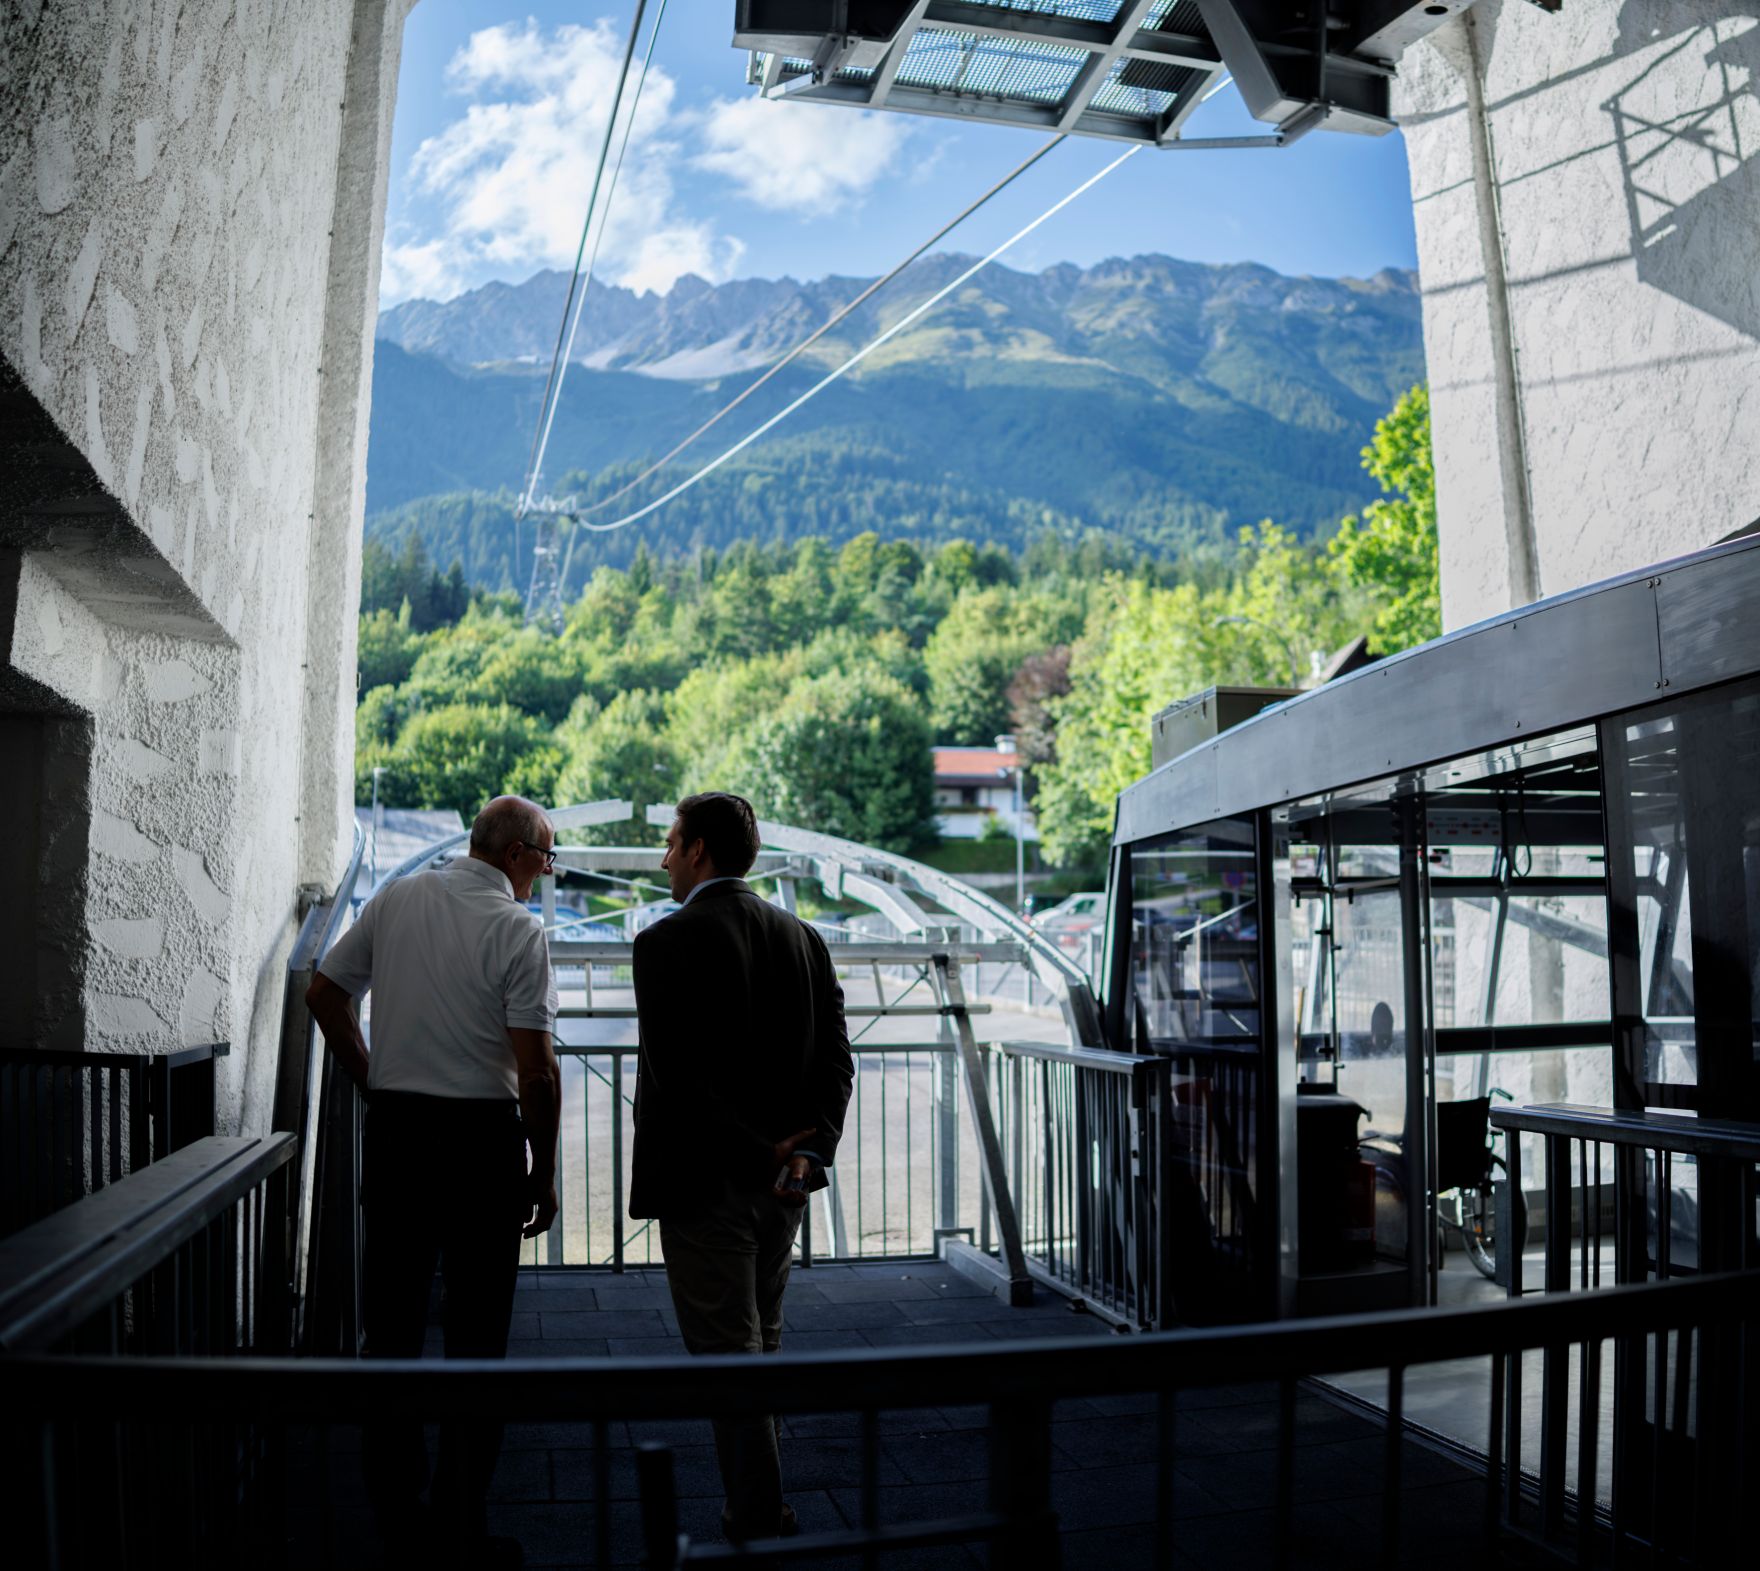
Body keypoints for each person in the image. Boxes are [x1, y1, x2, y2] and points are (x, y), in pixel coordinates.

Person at [307, 795, 563, 1570]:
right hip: (482, 1144)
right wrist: (542, 1173)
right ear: (517, 853)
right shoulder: (519, 930)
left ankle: (395, 1518)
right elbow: (537, 1070)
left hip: (399, 1133)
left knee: (391, 1328)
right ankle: (459, 1525)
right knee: (478, 1336)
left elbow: (323, 993)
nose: (548, 871)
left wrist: (374, 1080)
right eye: (547, 856)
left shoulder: (399, 895)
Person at [630, 791, 853, 1544]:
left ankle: (758, 1517)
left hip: (706, 1187)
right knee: (764, 1343)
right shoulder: (805, 938)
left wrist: (759, 1151)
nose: (663, 857)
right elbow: (836, 1062)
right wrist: (806, 1150)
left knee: (729, 1357)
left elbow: (678, 1081)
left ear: (697, 850)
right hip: (783, 1189)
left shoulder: (665, 942)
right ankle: (754, 1502)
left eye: (670, 841)